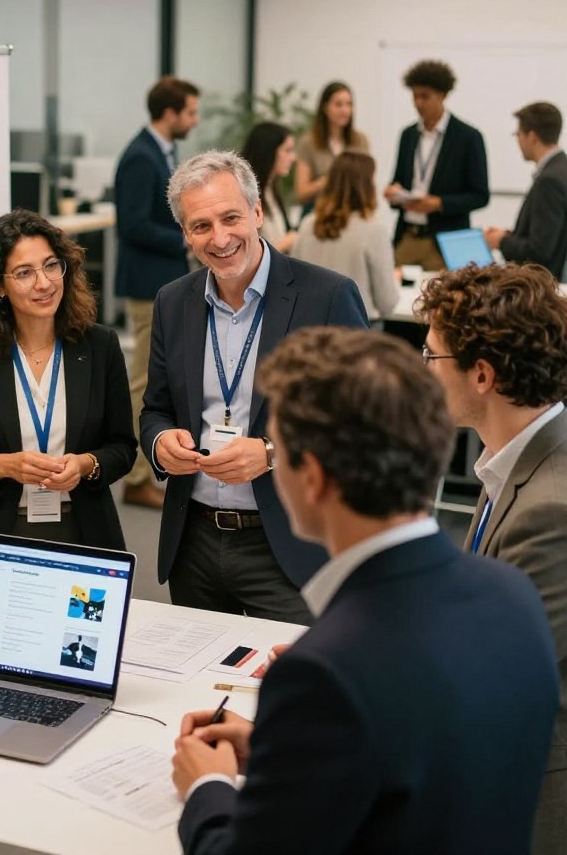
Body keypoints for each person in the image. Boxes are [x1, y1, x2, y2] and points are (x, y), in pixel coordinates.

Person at [172, 327, 559, 855]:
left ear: (314, 479)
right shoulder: (512, 592)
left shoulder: (323, 670)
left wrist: (206, 785)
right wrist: (284, 747)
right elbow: (434, 748)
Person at [140, 150, 369, 623]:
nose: (220, 238)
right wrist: (161, 442)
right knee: (199, 690)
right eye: (201, 226)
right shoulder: (173, 301)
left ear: (258, 212)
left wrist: (271, 454)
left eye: (231, 218)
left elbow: (365, 422)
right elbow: (155, 409)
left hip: (287, 544)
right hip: (195, 543)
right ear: (185, 233)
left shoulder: (326, 296)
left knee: (293, 691)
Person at [417, 263, 567, 854]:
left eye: (431, 357)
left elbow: (487, 675)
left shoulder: (550, 509)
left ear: (481, 374)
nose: (420, 371)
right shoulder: (512, 457)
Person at [0, 209, 136, 548]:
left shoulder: (100, 346)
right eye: (24, 273)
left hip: (85, 530)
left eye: (52, 265)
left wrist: (87, 464)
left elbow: (123, 448)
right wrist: (4, 466)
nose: (44, 283)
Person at [115, 75, 200, 509]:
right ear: (169, 113)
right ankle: (135, 477)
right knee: (144, 381)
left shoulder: (163, 152)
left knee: (155, 376)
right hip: (148, 283)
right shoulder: (140, 157)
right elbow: (131, 225)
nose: (195, 119)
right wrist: (185, 239)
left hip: (161, 281)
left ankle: (144, 472)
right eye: (190, 111)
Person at [384, 59, 489, 271]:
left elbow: (480, 195)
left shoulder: (468, 137)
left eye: (425, 96)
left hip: (444, 244)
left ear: (443, 95)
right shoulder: (408, 135)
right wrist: (394, 193)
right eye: (415, 96)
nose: (418, 103)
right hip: (407, 237)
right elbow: (398, 180)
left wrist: (439, 203)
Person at [292, 150, 398, 323]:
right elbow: (387, 303)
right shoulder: (374, 230)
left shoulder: (307, 225)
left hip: (309, 329)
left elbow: (294, 284)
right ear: (366, 186)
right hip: (357, 333)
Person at [483, 102, 567, 278]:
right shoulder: (560, 168)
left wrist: (501, 241)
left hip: (544, 285)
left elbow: (540, 251)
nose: (518, 141)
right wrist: (510, 235)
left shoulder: (549, 180)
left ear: (532, 136)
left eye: (518, 134)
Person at [293, 81, 369, 209]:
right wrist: (326, 182)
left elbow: (367, 185)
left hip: (352, 210)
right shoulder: (309, 142)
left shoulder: (359, 141)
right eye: (338, 104)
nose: (344, 110)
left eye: (349, 104)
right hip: (318, 211)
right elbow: (301, 193)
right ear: (325, 107)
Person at [241, 122, 297, 253]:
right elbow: (246, 253)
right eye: (287, 150)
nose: (293, 158)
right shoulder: (245, 194)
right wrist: (285, 243)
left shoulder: (271, 189)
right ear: (269, 152)